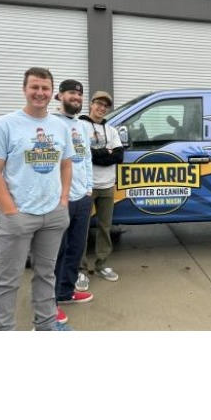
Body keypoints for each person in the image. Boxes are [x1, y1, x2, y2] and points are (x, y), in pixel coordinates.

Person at [0, 67, 74, 331]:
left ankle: (46, 326)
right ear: (24, 89)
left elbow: (66, 165)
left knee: (46, 275)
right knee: (7, 281)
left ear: (52, 92)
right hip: (17, 215)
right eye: (34, 87)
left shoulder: (60, 126)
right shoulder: (5, 125)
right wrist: (10, 211)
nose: (40, 93)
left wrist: (63, 201)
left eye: (45, 88)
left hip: (53, 214)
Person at [52, 80, 95, 323]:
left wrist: (88, 188)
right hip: (61, 199)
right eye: (71, 93)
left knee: (75, 249)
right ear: (59, 96)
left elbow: (86, 157)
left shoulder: (81, 126)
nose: (76, 97)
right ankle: (49, 303)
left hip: (82, 197)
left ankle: (66, 292)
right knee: (55, 252)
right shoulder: (51, 123)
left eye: (79, 94)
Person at [76, 90, 124, 284]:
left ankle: (101, 264)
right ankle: (80, 269)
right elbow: (82, 153)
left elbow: (119, 156)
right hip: (85, 185)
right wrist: (106, 152)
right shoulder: (79, 126)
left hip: (107, 185)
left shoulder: (111, 130)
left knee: (105, 227)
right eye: (99, 104)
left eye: (106, 106)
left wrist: (96, 154)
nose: (102, 108)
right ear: (91, 103)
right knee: (81, 228)